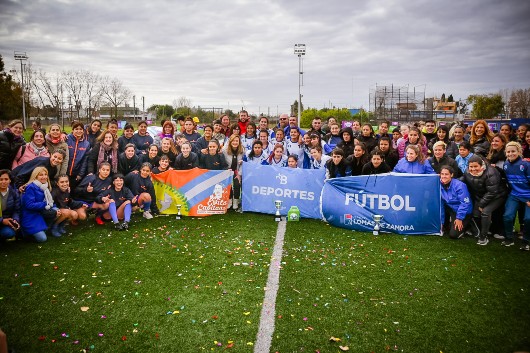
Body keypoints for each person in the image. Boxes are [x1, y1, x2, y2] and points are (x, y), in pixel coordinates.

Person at [463, 155, 508, 245]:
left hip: (497, 196)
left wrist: (481, 204)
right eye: (471, 166)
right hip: (482, 196)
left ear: (481, 165)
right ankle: (480, 230)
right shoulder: (467, 172)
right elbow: (463, 180)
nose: (473, 169)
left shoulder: (491, 172)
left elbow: (492, 192)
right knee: (475, 213)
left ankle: (483, 237)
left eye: (476, 166)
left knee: (485, 212)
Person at [502, 141, 530, 249]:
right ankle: (509, 239)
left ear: (519, 152)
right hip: (514, 195)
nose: (510, 154)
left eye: (513, 151)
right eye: (508, 152)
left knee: (528, 219)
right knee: (507, 216)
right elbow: (509, 182)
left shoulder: (526, 165)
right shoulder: (505, 165)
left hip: (528, 195)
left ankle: (526, 241)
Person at [20, 167, 60, 242]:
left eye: (45, 174)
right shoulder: (31, 187)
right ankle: (26, 234)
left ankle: (45, 229)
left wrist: (54, 207)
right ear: (35, 176)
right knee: (42, 239)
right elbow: (29, 205)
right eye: (41, 175)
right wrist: (46, 204)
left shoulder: (44, 186)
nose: (44, 177)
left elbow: (50, 201)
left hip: (40, 212)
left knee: (56, 210)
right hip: (31, 215)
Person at [440, 165, 474, 239]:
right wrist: (441, 222)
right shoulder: (439, 184)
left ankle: (470, 224)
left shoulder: (460, 185)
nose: (444, 176)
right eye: (442, 174)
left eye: (446, 174)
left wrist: (459, 218)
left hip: (463, 211)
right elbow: (441, 205)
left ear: (451, 175)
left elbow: (465, 203)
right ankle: (447, 223)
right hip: (451, 208)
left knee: (453, 235)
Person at [221, 134, 244, 210]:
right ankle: (229, 200)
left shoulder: (242, 150)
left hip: (237, 170)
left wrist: (239, 174)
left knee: (237, 184)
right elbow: (223, 161)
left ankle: (236, 201)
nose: (235, 142)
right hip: (228, 170)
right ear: (230, 142)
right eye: (233, 141)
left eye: (237, 141)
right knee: (228, 184)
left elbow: (244, 163)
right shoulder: (225, 150)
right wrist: (226, 170)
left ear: (239, 142)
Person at [66, 121, 91, 188]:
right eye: (76, 129)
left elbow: (85, 161)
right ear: (72, 130)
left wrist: (80, 174)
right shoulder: (67, 139)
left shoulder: (86, 144)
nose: (78, 131)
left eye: (80, 129)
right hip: (65, 172)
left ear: (83, 131)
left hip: (76, 173)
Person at [0, 170, 21, 243]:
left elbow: (17, 210)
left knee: (9, 233)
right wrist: (2, 220)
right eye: (1, 179)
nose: (3, 182)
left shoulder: (14, 193)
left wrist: (15, 220)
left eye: (6, 179)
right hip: (3, 220)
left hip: (7, 221)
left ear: (10, 180)